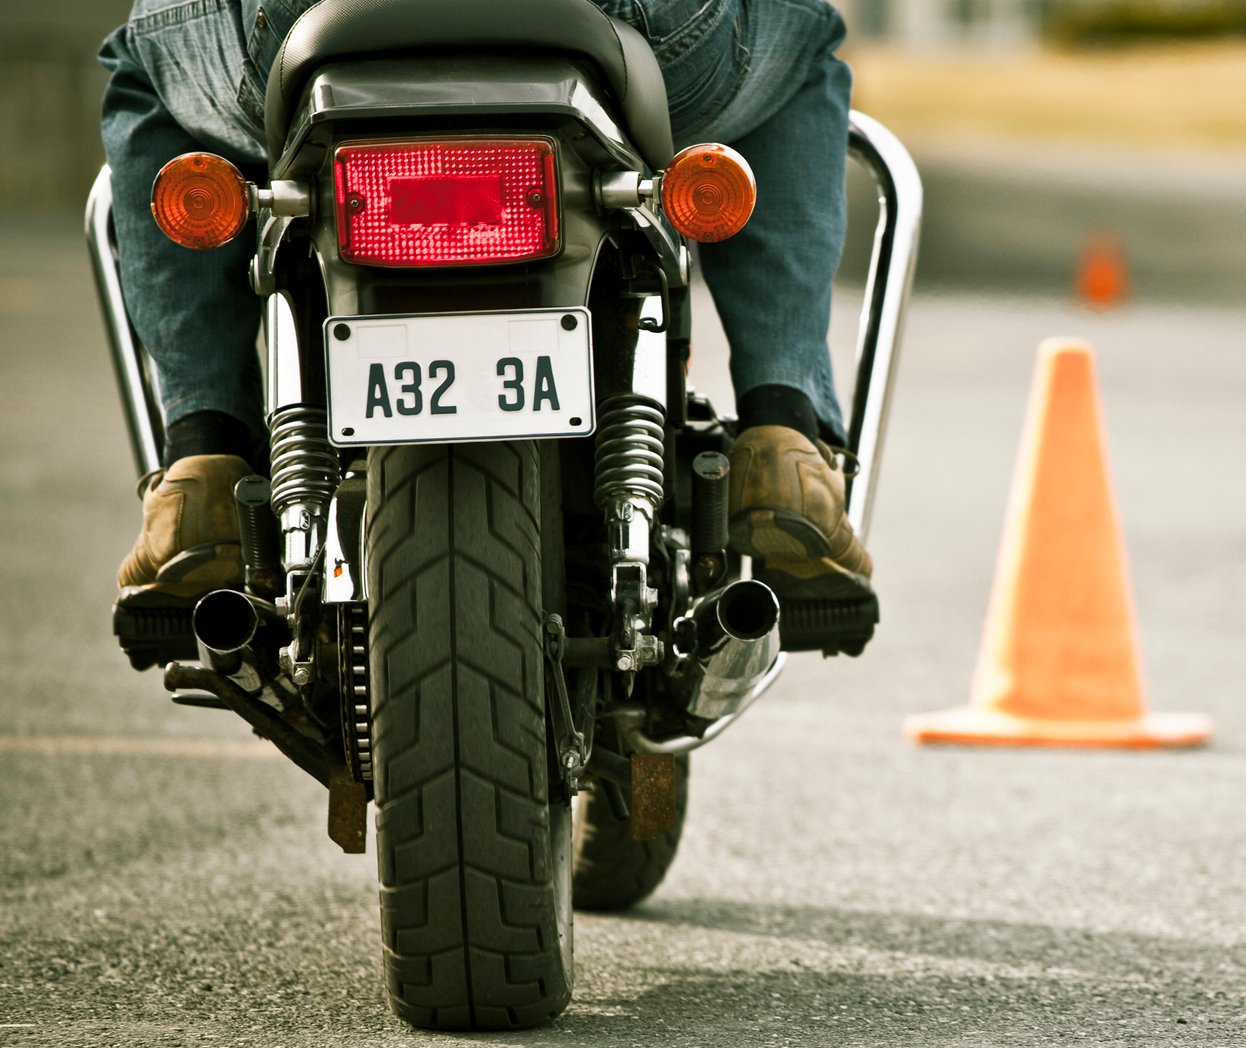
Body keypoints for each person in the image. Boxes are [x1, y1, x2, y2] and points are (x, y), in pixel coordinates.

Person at [100, 0, 873, 625]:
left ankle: (203, 464)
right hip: (640, 22)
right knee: (800, 31)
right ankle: (783, 440)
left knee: (148, 63)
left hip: (298, 23)